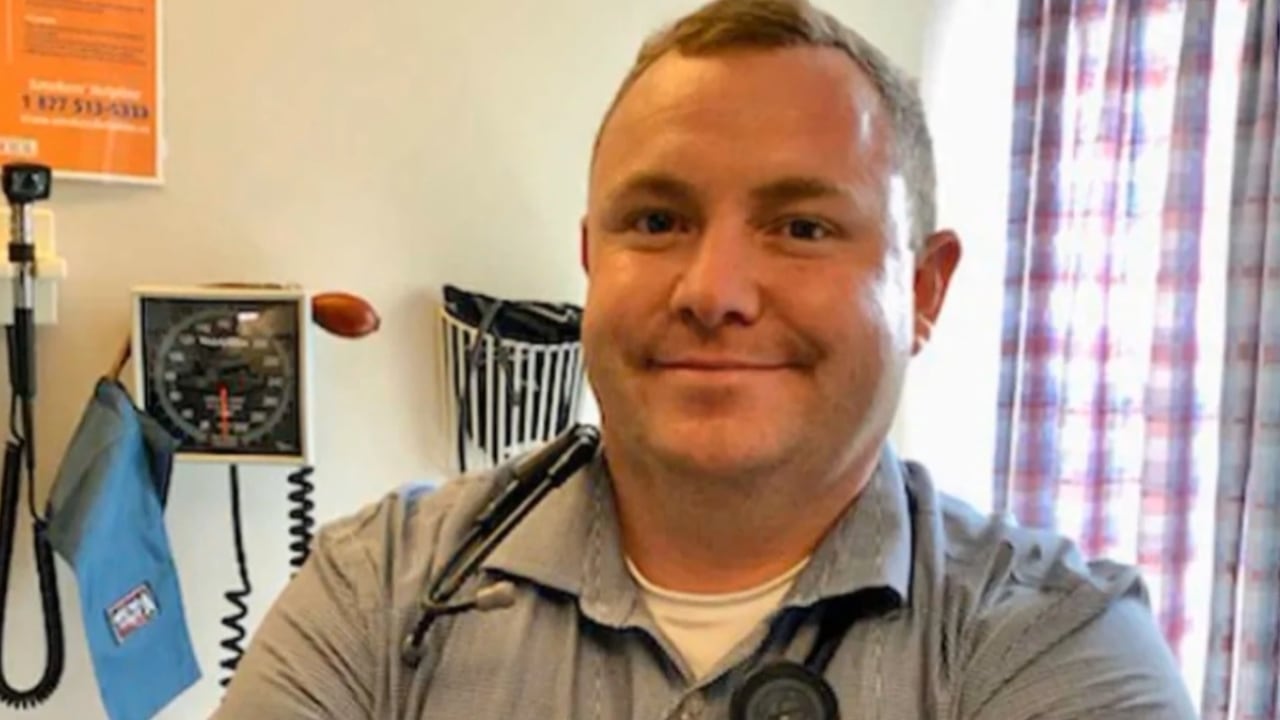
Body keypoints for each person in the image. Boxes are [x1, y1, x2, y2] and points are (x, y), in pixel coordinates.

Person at [212, 0, 1198, 717]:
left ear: (922, 291)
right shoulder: (379, 594)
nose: (711, 290)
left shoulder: (1048, 646)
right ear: (593, 259)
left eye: (802, 227)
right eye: (655, 220)